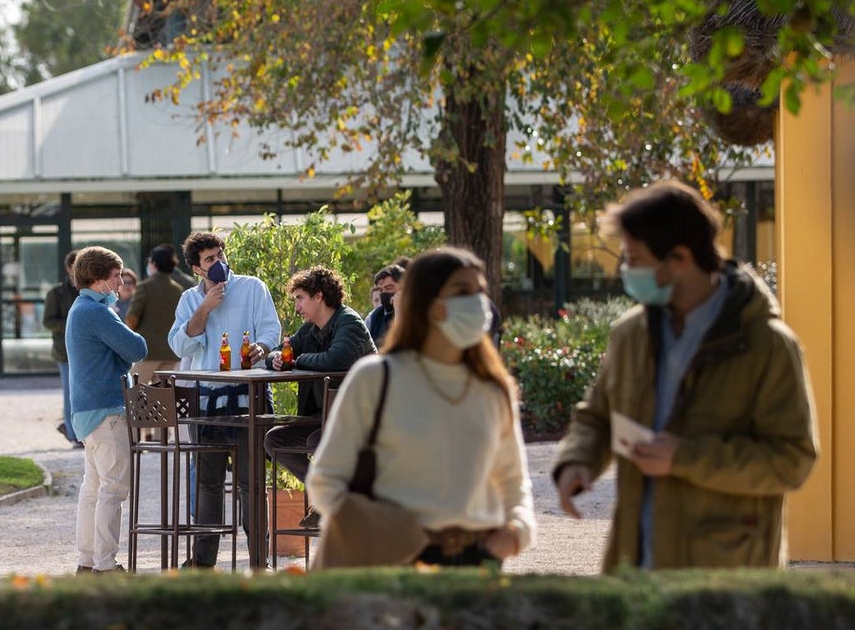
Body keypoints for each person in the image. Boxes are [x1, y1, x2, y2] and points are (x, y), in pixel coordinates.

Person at [553, 180, 818, 571]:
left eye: (635, 259)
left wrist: (686, 458)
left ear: (679, 258)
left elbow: (791, 460)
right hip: (636, 567)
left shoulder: (768, 346)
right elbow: (597, 416)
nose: (624, 271)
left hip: (725, 579)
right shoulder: (630, 335)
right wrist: (578, 460)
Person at [307, 247, 536, 568]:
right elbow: (325, 481)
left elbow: (514, 485)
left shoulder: (493, 389)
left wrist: (514, 534)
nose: (478, 303)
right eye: (463, 292)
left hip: (477, 564)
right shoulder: (375, 379)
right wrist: (385, 533)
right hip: (391, 563)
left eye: (480, 292)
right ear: (429, 305)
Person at [168, 231, 281, 568]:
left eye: (220, 256)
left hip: (248, 397)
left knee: (251, 483)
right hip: (206, 401)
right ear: (196, 268)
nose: (219, 264)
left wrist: (261, 347)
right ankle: (203, 563)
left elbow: (271, 331)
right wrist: (204, 308)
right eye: (210, 260)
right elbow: (180, 345)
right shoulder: (189, 299)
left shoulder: (252, 287)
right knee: (207, 483)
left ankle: (260, 562)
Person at [262, 266, 376, 527]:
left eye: (300, 298)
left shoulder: (350, 322)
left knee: (318, 439)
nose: (297, 307)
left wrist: (296, 360)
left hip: (360, 417)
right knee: (276, 440)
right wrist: (276, 360)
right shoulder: (310, 329)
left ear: (319, 297)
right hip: (325, 416)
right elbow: (279, 352)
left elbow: (336, 358)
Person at [66, 246, 148, 574]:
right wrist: (122, 355)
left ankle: (87, 561)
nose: (120, 281)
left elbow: (123, 354)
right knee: (113, 489)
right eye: (116, 275)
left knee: (93, 489)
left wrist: (121, 356)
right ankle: (105, 564)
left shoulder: (80, 308)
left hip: (87, 411)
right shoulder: (98, 311)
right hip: (108, 409)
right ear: (99, 278)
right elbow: (137, 348)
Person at [126, 243, 188, 387]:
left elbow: (132, 318)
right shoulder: (177, 290)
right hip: (170, 352)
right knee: (161, 397)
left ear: (153, 264)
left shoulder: (144, 286)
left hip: (147, 352)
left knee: (133, 391)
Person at [44, 249, 82, 448]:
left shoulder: (88, 290)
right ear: (69, 268)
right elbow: (48, 321)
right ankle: (72, 432)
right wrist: (72, 323)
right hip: (64, 351)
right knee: (70, 393)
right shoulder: (56, 293)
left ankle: (80, 429)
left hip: (86, 351)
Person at [364, 264, 403, 346]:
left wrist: (399, 310)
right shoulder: (374, 317)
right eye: (381, 290)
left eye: (389, 288)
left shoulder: (417, 312)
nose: (384, 293)